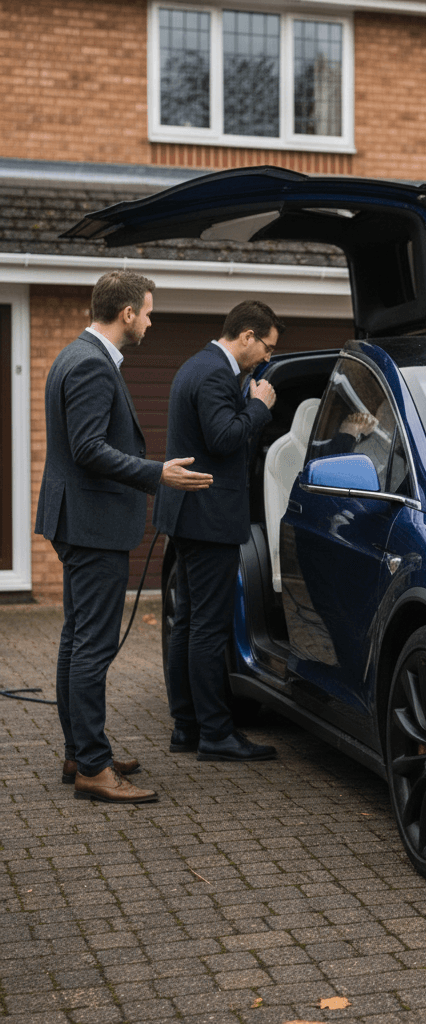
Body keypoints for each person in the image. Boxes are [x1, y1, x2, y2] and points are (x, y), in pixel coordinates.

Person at [36, 270, 213, 804]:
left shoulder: (75, 354)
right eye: (149, 311)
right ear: (128, 313)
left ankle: (81, 751)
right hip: (93, 526)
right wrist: (157, 472)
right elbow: (89, 448)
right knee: (92, 645)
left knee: (76, 640)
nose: (153, 321)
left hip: (79, 521)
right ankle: (93, 767)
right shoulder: (91, 364)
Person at [155, 300, 283, 762]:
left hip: (190, 515)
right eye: (266, 346)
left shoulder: (199, 365)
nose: (268, 356)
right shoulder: (213, 373)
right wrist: (258, 405)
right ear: (246, 335)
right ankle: (215, 735)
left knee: (188, 624)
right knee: (208, 629)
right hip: (207, 519)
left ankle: (187, 727)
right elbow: (223, 438)